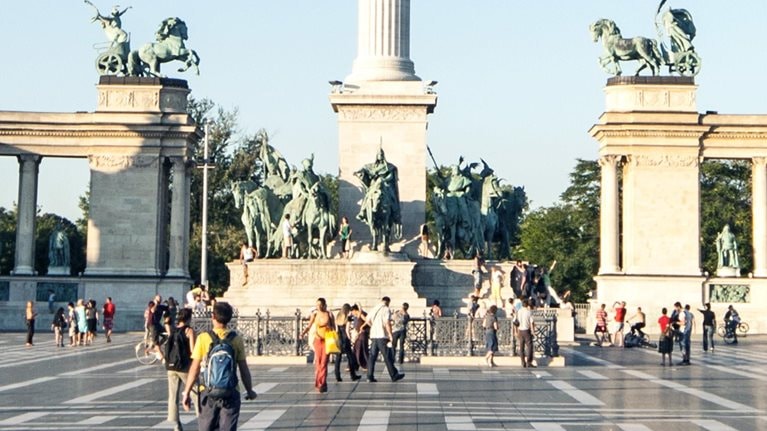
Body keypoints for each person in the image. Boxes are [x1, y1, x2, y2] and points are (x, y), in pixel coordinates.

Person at [181, 302, 257, 430]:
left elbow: (195, 368)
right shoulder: (236, 339)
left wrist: (187, 392)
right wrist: (249, 390)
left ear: (213, 317)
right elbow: (243, 368)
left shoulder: (203, 338)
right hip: (231, 391)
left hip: (207, 391)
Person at [167, 309, 197, 431]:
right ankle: (202, 417)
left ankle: (175, 424)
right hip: (184, 367)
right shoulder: (189, 331)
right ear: (189, 318)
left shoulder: (173, 330)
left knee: (173, 395)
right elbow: (193, 351)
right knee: (196, 392)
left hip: (171, 366)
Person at [300, 298, 335, 393]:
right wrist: (302, 333)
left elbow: (334, 328)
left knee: (324, 363)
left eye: (320, 304)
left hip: (327, 340)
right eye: (317, 304)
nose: (318, 306)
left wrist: (329, 327)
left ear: (323, 305)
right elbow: (309, 325)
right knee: (318, 363)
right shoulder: (314, 314)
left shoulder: (329, 314)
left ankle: (322, 383)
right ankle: (319, 383)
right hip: (318, 340)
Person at [366, 297, 405, 383]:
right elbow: (387, 323)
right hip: (382, 335)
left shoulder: (375, 308)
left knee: (372, 356)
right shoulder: (386, 309)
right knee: (387, 356)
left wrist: (373, 326)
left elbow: (367, 320)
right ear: (388, 302)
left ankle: (369, 376)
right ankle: (394, 375)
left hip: (374, 335)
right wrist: (390, 335)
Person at [332, 303, 361, 382]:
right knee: (350, 357)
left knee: (338, 358)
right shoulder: (348, 318)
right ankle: (353, 375)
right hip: (345, 339)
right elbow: (347, 330)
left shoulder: (338, 316)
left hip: (338, 338)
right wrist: (350, 339)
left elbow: (337, 330)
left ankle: (337, 376)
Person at [517, 299, 536, 368]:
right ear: (527, 304)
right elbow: (531, 322)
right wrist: (533, 331)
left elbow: (516, 321)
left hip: (520, 330)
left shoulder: (519, 311)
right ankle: (529, 362)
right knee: (529, 347)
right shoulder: (529, 312)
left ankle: (522, 361)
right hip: (526, 330)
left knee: (521, 347)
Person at [350, 304, 369, 372]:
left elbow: (367, 321)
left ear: (355, 310)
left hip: (362, 334)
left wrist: (362, 327)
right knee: (357, 350)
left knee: (362, 349)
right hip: (358, 335)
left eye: (352, 311)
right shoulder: (357, 315)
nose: (352, 313)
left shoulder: (361, 314)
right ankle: (355, 365)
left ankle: (365, 365)